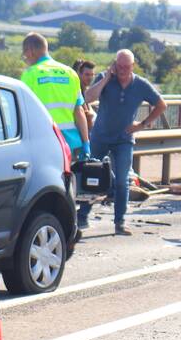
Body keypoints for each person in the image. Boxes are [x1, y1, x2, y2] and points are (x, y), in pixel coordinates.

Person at [79, 49, 168, 236]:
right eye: (119, 66)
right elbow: (88, 98)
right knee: (90, 177)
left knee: (122, 181)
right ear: (114, 64)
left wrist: (142, 124)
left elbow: (161, 105)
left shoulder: (140, 85)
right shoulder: (105, 78)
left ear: (133, 66)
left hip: (123, 140)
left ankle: (119, 222)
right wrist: (105, 79)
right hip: (100, 136)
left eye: (126, 67)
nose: (123, 70)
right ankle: (83, 216)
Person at [20, 33, 90, 159]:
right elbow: (79, 111)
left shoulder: (30, 74)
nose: (25, 58)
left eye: (24, 55)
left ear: (30, 51)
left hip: (42, 141)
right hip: (70, 143)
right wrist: (86, 142)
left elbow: (22, 111)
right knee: (69, 178)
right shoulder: (70, 73)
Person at [72, 58, 98, 131]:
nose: (90, 77)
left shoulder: (86, 91)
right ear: (78, 73)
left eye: (92, 74)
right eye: (87, 74)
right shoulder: (76, 91)